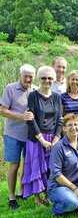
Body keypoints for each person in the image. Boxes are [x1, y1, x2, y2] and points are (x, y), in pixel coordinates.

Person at [22, 66, 63, 205]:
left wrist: (56, 139)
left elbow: (60, 120)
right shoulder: (33, 96)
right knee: (36, 167)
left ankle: (48, 194)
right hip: (36, 138)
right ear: (39, 79)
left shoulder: (57, 97)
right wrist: (41, 139)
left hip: (53, 138)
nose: (47, 81)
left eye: (50, 78)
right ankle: (37, 198)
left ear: (54, 79)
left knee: (50, 168)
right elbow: (30, 119)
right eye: (44, 78)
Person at [0, 64, 36, 209]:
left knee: (26, 164)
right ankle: (11, 196)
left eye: (30, 77)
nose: (28, 79)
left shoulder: (35, 90)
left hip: (29, 135)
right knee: (14, 165)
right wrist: (21, 117)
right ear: (20, 75)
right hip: (13, 134)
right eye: (25, 76)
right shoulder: (10, 88)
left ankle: (22, 192)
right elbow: (2, 110)